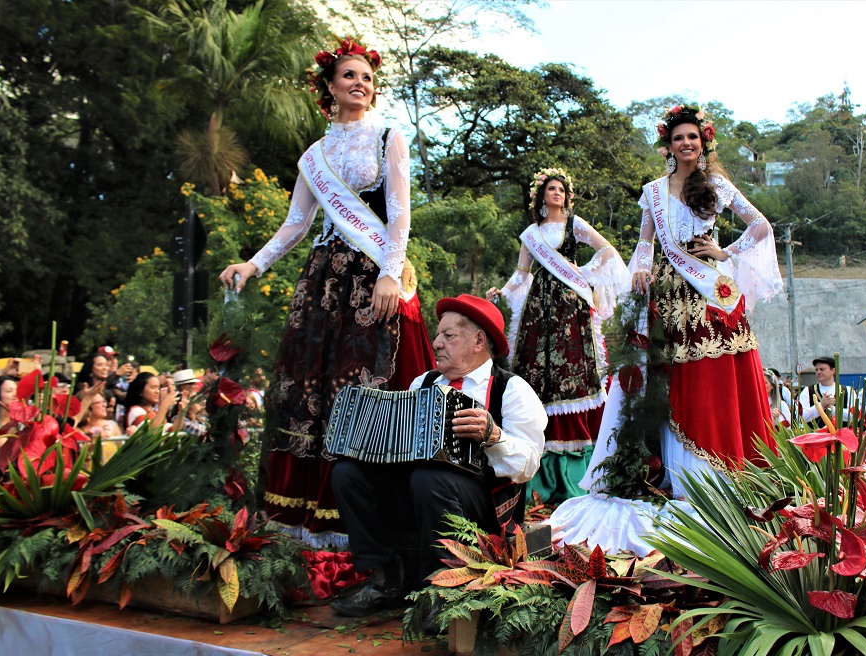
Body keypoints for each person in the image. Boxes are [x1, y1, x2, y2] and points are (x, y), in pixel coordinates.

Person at [218, 38, 435, 547]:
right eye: (349, 77)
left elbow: (401, 214)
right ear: (329, 88)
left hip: (372, 274)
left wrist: (389, 270)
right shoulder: (314, 155)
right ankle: (307, 514)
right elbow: (297, 223)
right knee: (313, 389)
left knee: (370, 385)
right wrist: (253, 264)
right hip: (323, 280)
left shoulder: (387, 138)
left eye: (366, 77)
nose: (360, 83)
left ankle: (378, 519)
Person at [329, 294, 547, 617]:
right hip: (421, 494)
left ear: (478, 341)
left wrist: (494, 436)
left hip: (485, 507)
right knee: (347, 473)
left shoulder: (511, 389)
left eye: (449, 335)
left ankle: (441, 592)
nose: (436, 343)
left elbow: (528, 463)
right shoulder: (424, 383)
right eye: (438, 335)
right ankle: (384, 579)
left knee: (428, 478)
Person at [630, 104, 782, 495]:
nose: (685, 143)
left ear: (703, 143)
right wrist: (642, 268)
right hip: (668, 289)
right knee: (673, 377)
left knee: (715, 372)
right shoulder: (653, 192)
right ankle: (682, 475)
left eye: (692, 137)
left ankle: (724, 469)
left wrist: (724, 252)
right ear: (668, 145)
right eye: (678, 137)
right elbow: (646, 239)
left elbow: (761, 226)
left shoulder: (717, 185)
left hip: (709, 287)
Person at [485, 168, 628, 504]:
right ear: (541, 195)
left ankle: (576, 462)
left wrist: (585, 272)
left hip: (570, 308)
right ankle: (539, 452)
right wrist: (501, 292)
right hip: (539, 311)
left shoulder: (574, 224)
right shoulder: (531, 234)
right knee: (538, 372)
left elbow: (606, 250)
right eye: (551, 189)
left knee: (573, 370)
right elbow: (521, 274)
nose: (557, 194)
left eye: (561, 190)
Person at [797, 357, 857, 428]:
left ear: (833, 371)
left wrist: (832, 409)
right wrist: (821, 405)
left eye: (822, 369)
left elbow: (856, 417)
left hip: (841, 437)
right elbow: (800, 417)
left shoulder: (848, 390)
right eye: (816, 370)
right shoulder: (807, 391)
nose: (818, 372)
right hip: (815, 437)